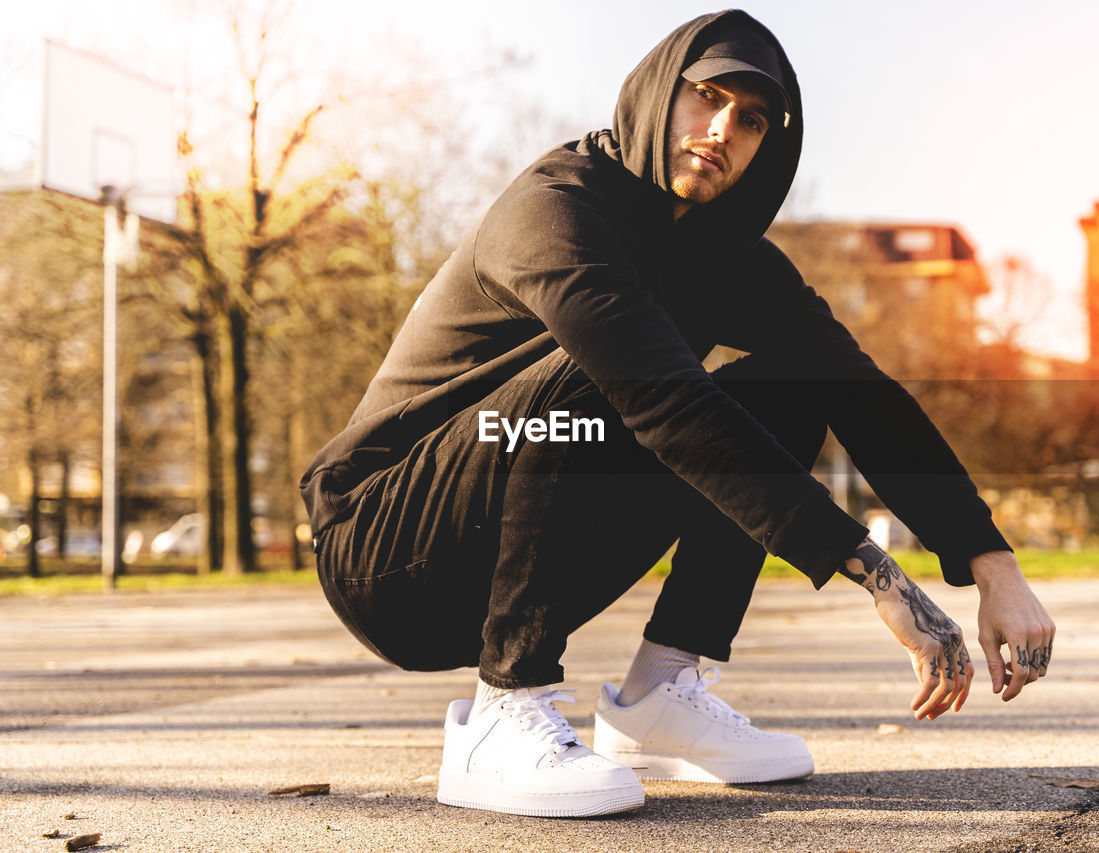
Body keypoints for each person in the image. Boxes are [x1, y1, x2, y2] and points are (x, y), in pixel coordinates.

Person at [300, 9, 1054, 819]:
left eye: (752, 119)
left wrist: (991, 562)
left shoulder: (725, 255)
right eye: (707, 97)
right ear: (663, 92)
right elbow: (661, 398)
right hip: (384, 545)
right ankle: (504, 710)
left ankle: (663, 689)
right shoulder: (555, 211)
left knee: (799, 375)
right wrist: (871, 568)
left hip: (515, 528)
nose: (723, 130)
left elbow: (860, 388)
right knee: (606, 372)